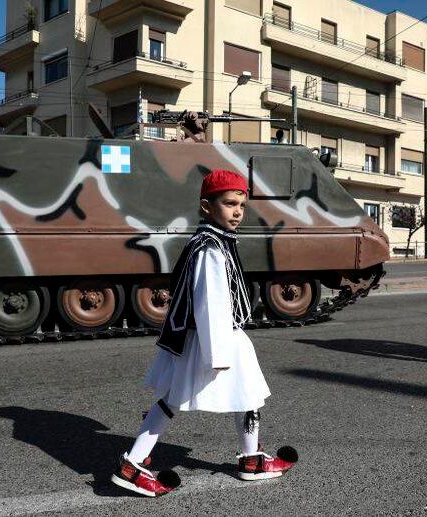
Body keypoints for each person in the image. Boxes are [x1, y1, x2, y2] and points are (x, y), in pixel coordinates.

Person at [110, 169, 297, 497]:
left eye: (242, 204)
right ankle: (131, 467)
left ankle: (250, 459)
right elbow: (210, 303)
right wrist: (219, 354)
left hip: (210, 338)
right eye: (229, 203)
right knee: (182, 399)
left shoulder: (214, 241)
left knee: (235, 395)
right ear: (207, 207)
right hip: (214, 339)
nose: (238, 211)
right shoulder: (210, 247)